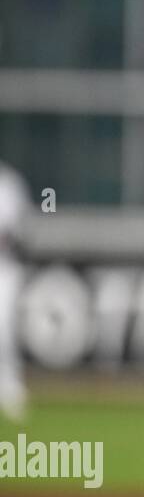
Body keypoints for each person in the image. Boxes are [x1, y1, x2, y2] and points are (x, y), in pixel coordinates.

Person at [0, 159, 32, 424]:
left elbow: (15, 231)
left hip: (5, 267)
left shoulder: (8, 182)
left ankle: (10, 389)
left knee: (4, 330)